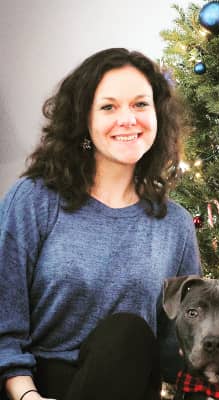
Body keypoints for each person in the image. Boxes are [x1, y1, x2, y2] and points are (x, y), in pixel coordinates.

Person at [0, 48, 201, 400]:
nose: (128, 119)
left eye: (140, 104)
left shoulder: (176, 226)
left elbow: (177, 348)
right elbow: (4, 320)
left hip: (129, 385)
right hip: (35, 388)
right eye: (109, 107)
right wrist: (27, 396)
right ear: (84, 119)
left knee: (128, 333)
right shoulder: (34, 200)